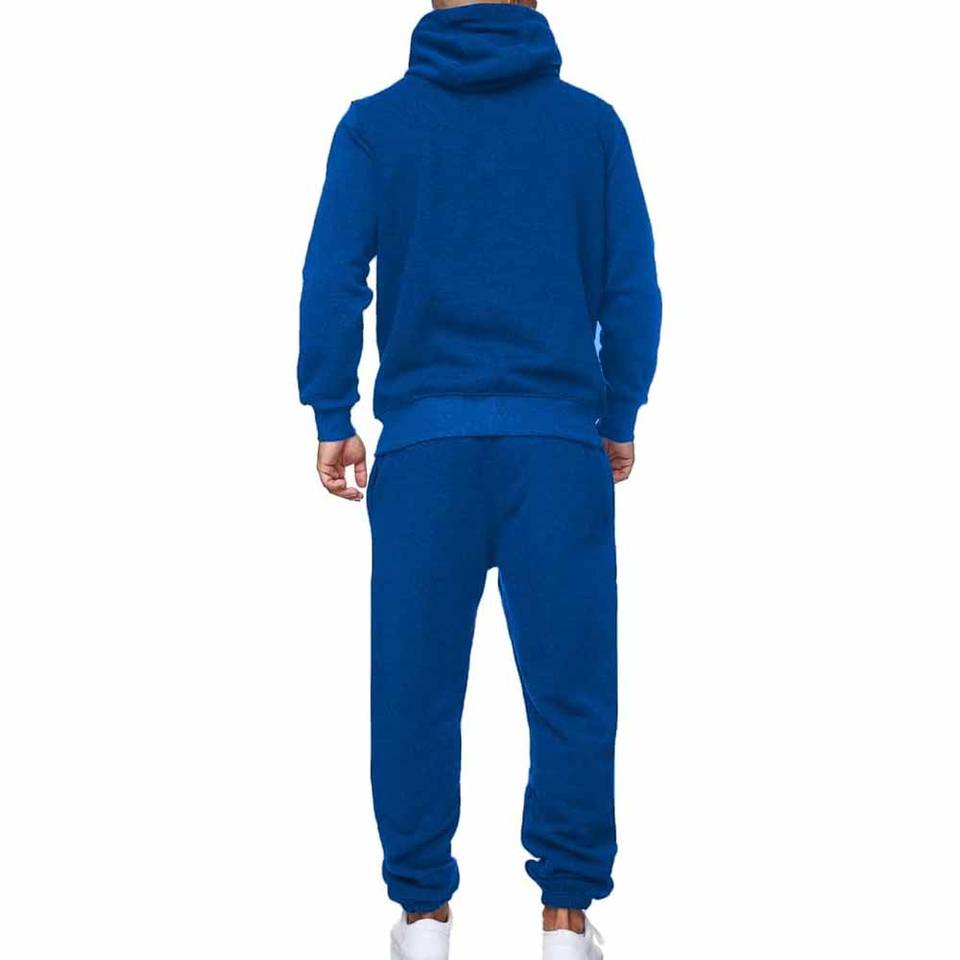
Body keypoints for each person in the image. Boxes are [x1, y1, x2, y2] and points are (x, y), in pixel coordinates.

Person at [298, 0, 661, 956]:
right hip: (557, 450)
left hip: (425, 454)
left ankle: (423, 919)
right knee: (574, 690)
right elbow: (632, 285)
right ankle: (566, 921)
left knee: (413, 689)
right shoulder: (590, 126)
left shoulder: (376, 125)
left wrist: (332, 412)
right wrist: (619, 411)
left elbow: (332, 276)